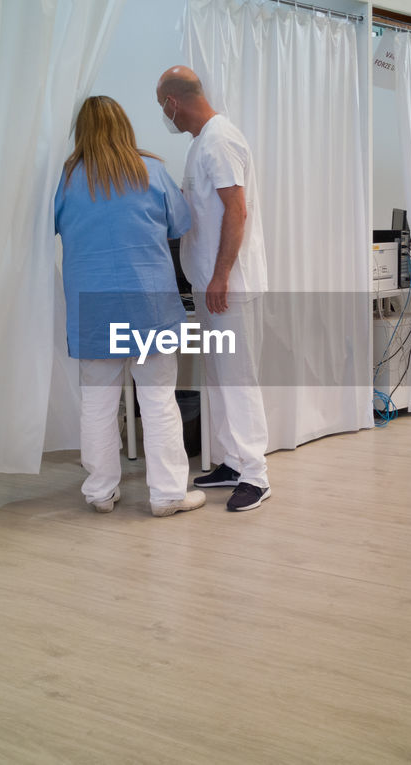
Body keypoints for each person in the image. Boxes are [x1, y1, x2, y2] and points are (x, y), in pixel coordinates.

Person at [54, 95, 205, 518]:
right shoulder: (152, 170)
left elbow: (44, 228)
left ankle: (100, 492)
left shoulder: (66, 180)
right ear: (124, 126)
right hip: (148, 305)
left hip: (93, 309)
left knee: (98, 404)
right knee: (158, 402)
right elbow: (180, 224)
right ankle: (167, 495)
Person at [156, 66, 270, 512]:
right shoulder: (202, 142)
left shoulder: (219, 141)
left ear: (172, 102)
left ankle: (256, 475)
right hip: (210, 283)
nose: (164, 116)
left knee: (238, 378)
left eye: (161, 107)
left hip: (228, 285)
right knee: (220, 378)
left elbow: (235, 211)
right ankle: (230, 461)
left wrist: (222, 275)